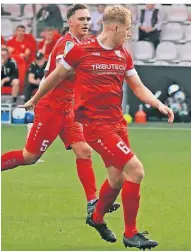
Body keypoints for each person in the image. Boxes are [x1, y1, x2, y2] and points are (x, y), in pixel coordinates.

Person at [22, 5, 174, 250]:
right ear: (115, 27)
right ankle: (131, 233)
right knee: (136, 171)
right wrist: (34, 99)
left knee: (116, 180)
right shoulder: (82, 51)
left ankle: (96, 217)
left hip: (117, 124)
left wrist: (158, 104)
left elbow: (137, 86)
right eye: (127, 28)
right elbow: (55, 76)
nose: (130, 33)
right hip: (96, 126)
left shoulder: (123, 54)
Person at [1, 4, 120, 215]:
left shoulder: (80, 45)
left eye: (87, 19)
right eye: (81, 19)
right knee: (30, 157)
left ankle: (92, 201)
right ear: (70, 22)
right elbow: (63, 73)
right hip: (51, 108)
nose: (86, 23)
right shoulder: (66, 44)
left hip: (68, 110)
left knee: (84, 150)